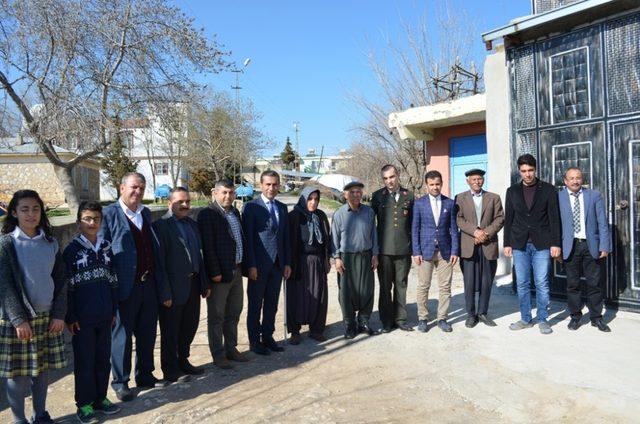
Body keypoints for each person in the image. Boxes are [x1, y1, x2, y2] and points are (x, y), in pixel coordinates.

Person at [100, 172, 170, 401]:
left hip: (147, 284)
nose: (137, 192)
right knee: (122, 336)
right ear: (122, 188)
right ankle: (121, 382)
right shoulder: (109, 214)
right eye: (133, 187)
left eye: (141, 188)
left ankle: (146, 375)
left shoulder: (145, 213)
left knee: (147, 332)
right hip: (124, 287)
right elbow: (103, 253)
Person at [0, 190, 67, 424]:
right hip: (18, 321)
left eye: (35, 209)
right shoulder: (6, 244)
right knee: (16, 376)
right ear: (15, 212)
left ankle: (40, 414)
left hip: (47, 317)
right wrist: (18, 319)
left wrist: (59, 314)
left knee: (42, 371)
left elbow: (61, 280)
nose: (31, 214)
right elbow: (5, 285)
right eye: (25, 209)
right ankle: (19, 419)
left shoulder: (50, 243)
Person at [64, 201, 121, 423]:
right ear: (79, 222)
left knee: (102, 360)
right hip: (82, 319)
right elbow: (66, 287)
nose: (92, 222)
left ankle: (101, 398)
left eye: (96, 219)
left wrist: (113, 309)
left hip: (105, 314)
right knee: (85, 361)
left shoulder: (106, 247)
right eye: (87, 218)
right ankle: (84, 403)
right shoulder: (71, 251)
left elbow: (113, 281)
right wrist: (71, 315)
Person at [153, 187, 209, 381]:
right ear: (170, 203)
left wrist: (204, 283)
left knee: (189, 326)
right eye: (180, 202)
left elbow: (199, 256)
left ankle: (183, 360)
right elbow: (159, 263)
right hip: (173, 288)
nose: (185, 205)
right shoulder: (160, 226)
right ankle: (170, 369)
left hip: (193, 284)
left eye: (187, 202)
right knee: (170, 330)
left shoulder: (192, 224)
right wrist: (164, 292)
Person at [503, 154, 561, 335]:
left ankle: (543, 318)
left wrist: (556, 243)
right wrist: (506, 243)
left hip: (542, 243)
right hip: (519, 244)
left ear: (535, 170)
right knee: (522, 283)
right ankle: (526, 318)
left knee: (542, 282)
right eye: (523, 171)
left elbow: (554, 219)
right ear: (519, 171)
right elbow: (509, 219)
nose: (527, 174)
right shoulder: (512, 191)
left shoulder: (549, 190)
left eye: (530, 170)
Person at [198, 180, 249, 369]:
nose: (228, 196)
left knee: (234, 312)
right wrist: (215, 273)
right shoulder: (208, 214)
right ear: (215, 193)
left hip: (236, 269)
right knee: (217, 316)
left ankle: (231, 348)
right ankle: (218, 354)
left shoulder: (235, 212)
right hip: (220, 274)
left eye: (231, 193)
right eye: (224, 192)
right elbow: (208, 246)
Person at [242, 171, 292, 355]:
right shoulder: (251, 207)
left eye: (275, 184)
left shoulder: (282, 208)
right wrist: (251, 265)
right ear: (261, 185)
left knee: (272, 303)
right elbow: (248, 238)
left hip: (278, 265)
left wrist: (286, 262)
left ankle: (268, 336)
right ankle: (255, 342)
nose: (271, 188)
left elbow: (284, 237)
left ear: (279, 185)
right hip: (259, 266)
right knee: (256, 305)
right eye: (268, 184)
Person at [559, 167, 611, 332]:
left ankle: (596, 318)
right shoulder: (558, 197)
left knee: (594, 283)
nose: (575, 181)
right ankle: (575, 316)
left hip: (591, 245)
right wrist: (556, 248)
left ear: (582, 179)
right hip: (570, 245)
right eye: (571, 178)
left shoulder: (593, 195)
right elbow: (554, 225)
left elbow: (602, 222)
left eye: (578, 178)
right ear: (565, 181)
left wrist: (604, 245)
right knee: (572, 284)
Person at [455, 169, 504, 328]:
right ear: (468, 181)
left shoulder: (494, 198)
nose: (477, 182)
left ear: (483, 180)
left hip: (488, 245)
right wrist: (475, 232)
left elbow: (500, 218)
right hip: (469, 246)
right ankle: (471, 314)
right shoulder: (460, 198)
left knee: (486, 281)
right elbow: (459, 219)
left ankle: (482, 312)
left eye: (480, 179)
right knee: (469, 282)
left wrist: (485, 233)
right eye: (474, 179)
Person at [412, 170, 459, 333]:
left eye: (437, 184)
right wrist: (416, 251)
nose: (435, 187)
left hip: (445, 251)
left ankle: (442, 318)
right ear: (427, 185)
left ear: (442, 184)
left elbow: (454, 229)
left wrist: (455, 251)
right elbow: (415, 229)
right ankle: (423, 318)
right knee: (423, 286)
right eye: (431, 184)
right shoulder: (419, 204)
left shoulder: (450, 203)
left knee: (445, 286)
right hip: (425, 251)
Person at [331, 181, 380, 339]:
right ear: (345, 195)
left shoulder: (369, 212)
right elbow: (334, 239)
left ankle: (364, 321)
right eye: (352, 192)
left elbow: (374, 234)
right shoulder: (339, 214)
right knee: (346, 293)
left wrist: (375, 254)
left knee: (367, 290)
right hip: (346, 258)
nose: (356, 194)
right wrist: (337, 258)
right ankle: (350, 324)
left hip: (366, 256)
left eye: (359, 191)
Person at [370, 164, 414, 333]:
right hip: (384, 250)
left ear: (398, 175)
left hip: (403, 249)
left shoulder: (408, 195)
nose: (389, 181)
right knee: (385, 286)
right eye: (385, 178)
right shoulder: (377, 197)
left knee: (401, 285)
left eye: (392, 177)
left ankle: (401, 319)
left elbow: (412, 224)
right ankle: (386, 321)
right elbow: (371, 224)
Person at [286, 187, 332, 344]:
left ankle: (316, 329)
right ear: (303, 199)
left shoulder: (320, 216)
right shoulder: (293, 216)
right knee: (296, 297)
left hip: (317, 262)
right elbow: (288, 243)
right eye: (310, 198)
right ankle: (294, 331)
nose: (313, 202)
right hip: (299, 263)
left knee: (318, 295)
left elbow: (327, 240)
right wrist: (288, 264)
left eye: (316, 199)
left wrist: (326, 259)